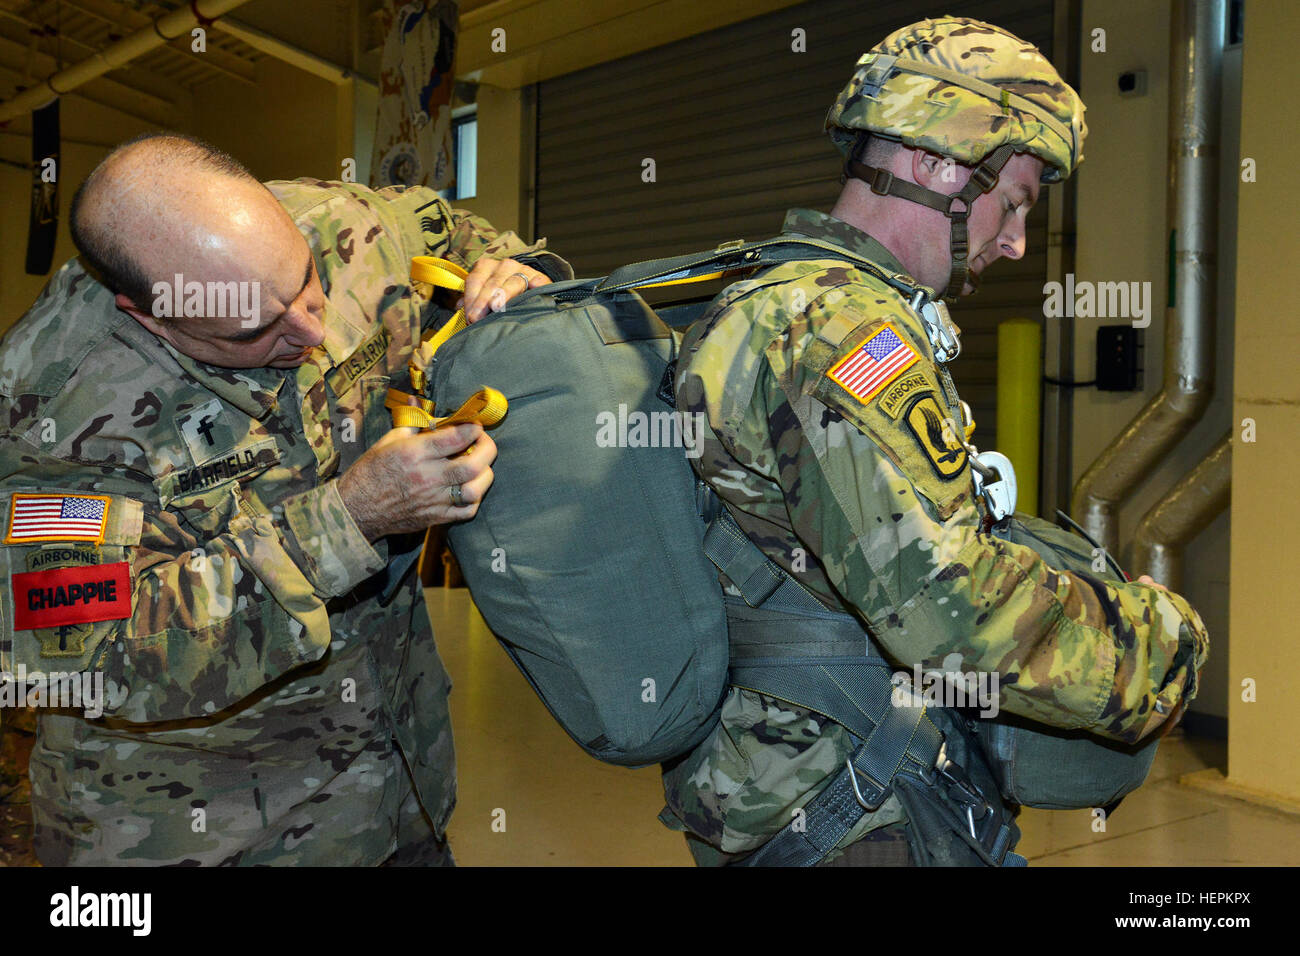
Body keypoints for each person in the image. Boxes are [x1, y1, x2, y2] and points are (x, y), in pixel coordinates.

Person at [664, 16, 1208, 866]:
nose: (1018, 240)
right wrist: (1156, 644)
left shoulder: (792, 301)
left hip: (822, 784)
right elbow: (952, 610)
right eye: (1015, 200)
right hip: (848, 811)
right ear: (933, 160)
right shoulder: (838, 332)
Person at [0, 132, 570, 865]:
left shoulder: (332, 222)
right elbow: (87, 655)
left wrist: (519, 272)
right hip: (205, 826)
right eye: (255, 329)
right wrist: (350, 520)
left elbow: (462, 232)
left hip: (398, 782)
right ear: (151, 315)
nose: (312, 329)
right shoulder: (50, 417)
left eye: (305, 283)